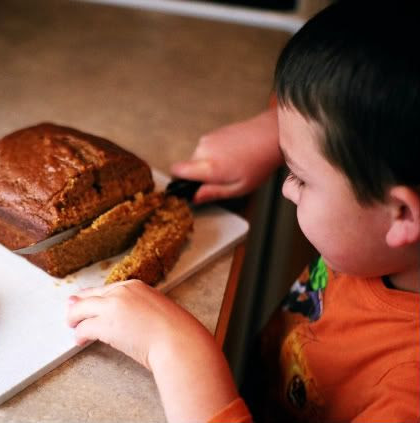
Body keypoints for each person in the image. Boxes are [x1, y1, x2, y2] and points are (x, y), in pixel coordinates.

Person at [66, 1, 420, 422]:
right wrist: (273, 134)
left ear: (402, 214)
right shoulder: (379, 232)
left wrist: (174, 349)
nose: (286, 188)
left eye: (300, 177)